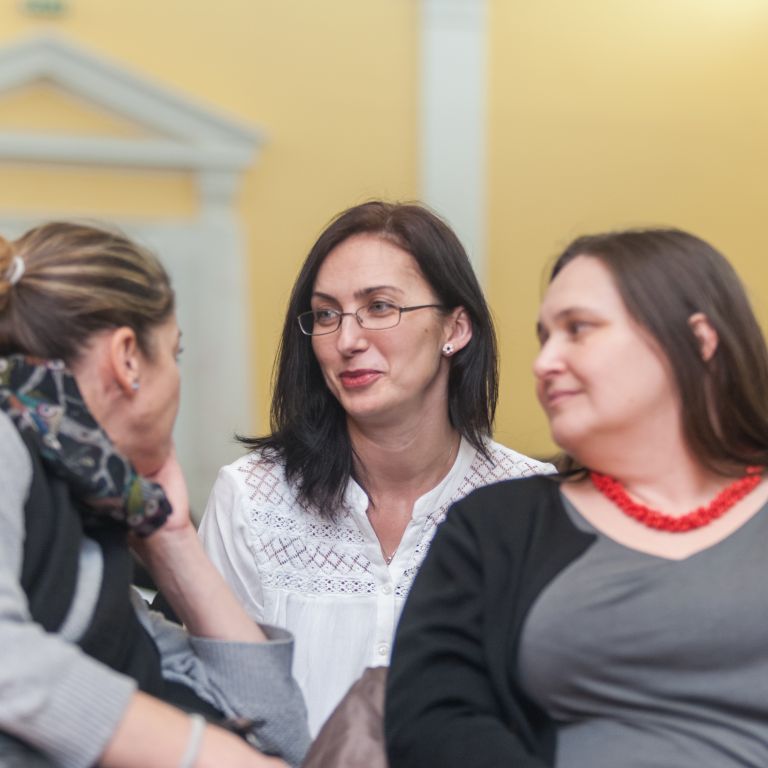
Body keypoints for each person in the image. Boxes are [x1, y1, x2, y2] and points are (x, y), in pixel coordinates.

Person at [385, 227, 768, 768]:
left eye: (578, 329)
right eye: (545, 338)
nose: (544, 363)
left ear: (699, 340)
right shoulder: (498, 525)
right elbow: (432, 721)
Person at [199, 200, 553, 734]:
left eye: (380, 307)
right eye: (326, 314)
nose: (347, 341)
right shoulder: (252, 499)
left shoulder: (530, 504)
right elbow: (216, 708)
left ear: (455, 328)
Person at [0, 222, 310, 768]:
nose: (176, 377)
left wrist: (173, 538)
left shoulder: (90, 538)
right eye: (174, 351)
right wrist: (203, 753)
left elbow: (279, 735)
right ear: (127, 358)